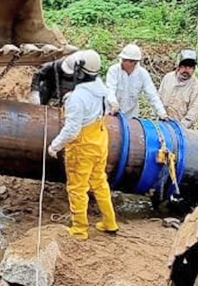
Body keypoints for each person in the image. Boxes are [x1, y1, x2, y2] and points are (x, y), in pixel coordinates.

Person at [46, 50, 118, 240]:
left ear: (79, 73)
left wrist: (55, 146)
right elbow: (109, 102)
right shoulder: (100, 86)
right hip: (100, 141)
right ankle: (109, 222)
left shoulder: (76, 98)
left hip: (82, 148)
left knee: (77, 188)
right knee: (99, 182)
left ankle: (79, 229)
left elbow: (72, 130)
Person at [106, 43, 167, 119]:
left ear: (134, 62)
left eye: (125, 60)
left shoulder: (142, 74)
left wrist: (162, 113)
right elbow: (110, 89)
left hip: (130, 115)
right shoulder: (114, 70)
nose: (122, 62)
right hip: (112, 113)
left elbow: (152, 95)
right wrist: (113, 102)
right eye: (122, 59)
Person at [159, 48, 198, 129]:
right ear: (178, 66)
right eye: (184, 66)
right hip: (162, 124)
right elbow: (159, 98)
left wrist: (179, 128)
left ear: (194, 69)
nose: (186, 70)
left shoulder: (197, 88)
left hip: (182, 129)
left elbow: (193, 114)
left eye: (190, 67)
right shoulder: (168, 78)